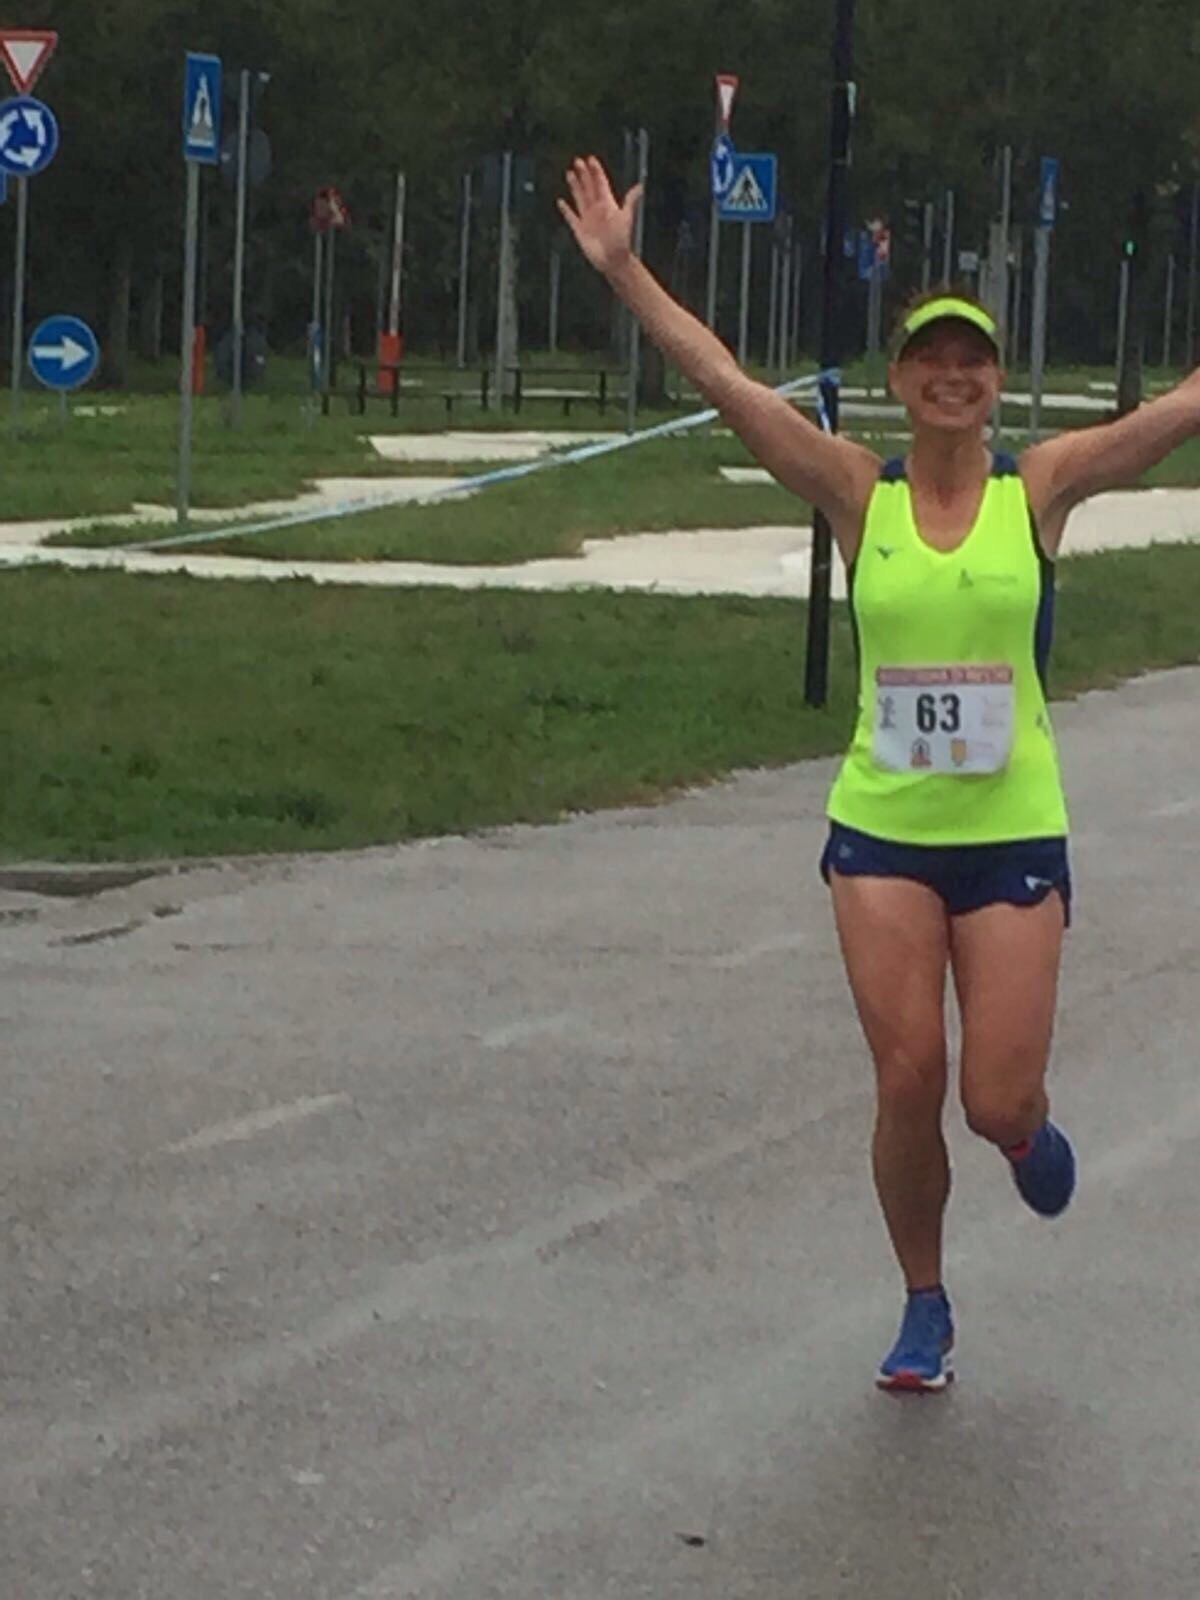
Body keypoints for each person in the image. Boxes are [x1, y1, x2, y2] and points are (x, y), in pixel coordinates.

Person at [559, 155, 1200, 1391]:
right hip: (883, 830)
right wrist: (627, 272)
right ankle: (924, 1303)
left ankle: (1025, 1134)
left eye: (973, 360)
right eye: (930, 358)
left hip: (1010, 830)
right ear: (900, 381)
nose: (952, 376)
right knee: (908, 1075)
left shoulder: (1039, 487)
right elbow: (729, 384)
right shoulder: (861, 493)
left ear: (995, 382)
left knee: (992, 1097)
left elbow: (1173, 414)